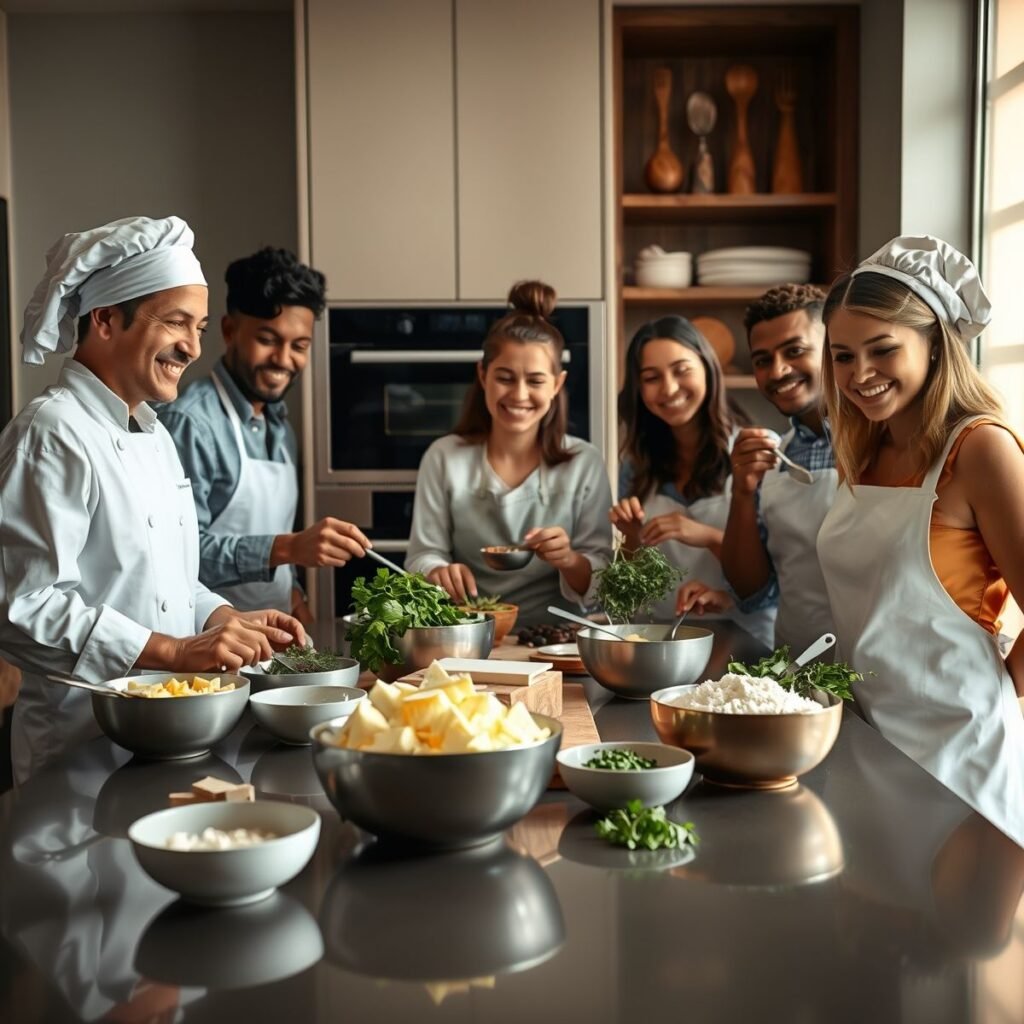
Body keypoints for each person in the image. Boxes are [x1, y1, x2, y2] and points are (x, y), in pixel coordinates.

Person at [0, 216, 305, 783]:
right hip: (77, 749)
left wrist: (229, 619)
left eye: (201, 328)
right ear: (106, 319)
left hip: (165, 735)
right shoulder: (52, 432)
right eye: (176, 323)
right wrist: (172, 654)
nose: (192, 347)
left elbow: (172, 583)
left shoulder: (155, 435)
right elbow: (23, 608)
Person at [816, 234, 1024, 847]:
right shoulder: (863, 450)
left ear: (935, 345)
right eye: (842, 356)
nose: (860, 375)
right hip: (868, 747)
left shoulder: (980, 449)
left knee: (961, 939)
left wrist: (996, 688)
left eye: (883, 350)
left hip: (961, 762)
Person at [159, 248, 370, 623]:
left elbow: (273, 540)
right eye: (269, 339)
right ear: (228, 331)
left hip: (273, 640)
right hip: (206, 647)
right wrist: (289, 548)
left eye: (299, 346)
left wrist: (295, 598)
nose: (284, 359)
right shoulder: (192, 424)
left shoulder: (280, 427)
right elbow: (175, 556)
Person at [405, 280, 613, 626]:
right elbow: (422, 556)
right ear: (483, 375)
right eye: (505, 377)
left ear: (557, 385)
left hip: (556, 639)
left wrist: (569, 559)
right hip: (467, 632)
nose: (518, 394)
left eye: (535, 381)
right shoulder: (443, 457)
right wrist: (437, 571)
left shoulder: (584, 463)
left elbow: (601, 581)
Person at [610, 315, 776, 643]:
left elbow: (774, 580)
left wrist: (708, 536)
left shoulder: (752, 452)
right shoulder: (636, 465)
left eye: (681, 369)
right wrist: (630, 538)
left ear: (708, 368)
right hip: (661, 642)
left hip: (743, 643)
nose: (669, 388)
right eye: (651, 377)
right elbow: (629, 588)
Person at [721, 285, 837, 652]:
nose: (779, 370)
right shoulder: (771, 458)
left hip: (882, 680)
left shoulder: (889, 446)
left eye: (795, 351)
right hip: (798, 670)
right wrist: (742, 492)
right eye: (762, 360)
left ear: (834, 348)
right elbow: (752, 593)